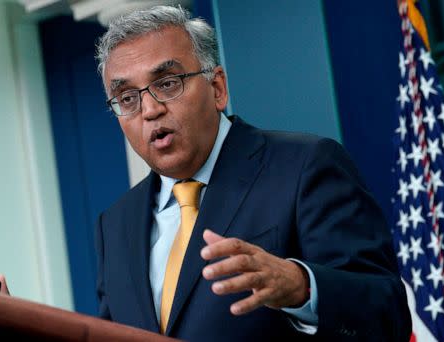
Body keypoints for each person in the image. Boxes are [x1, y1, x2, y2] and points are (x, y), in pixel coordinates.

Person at [92, 5, 411, 341]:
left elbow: (386, 314)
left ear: (217, 88)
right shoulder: (115, 223)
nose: (150, 110)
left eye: (168, 83)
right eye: (127, 98)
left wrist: (301, 287)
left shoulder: (305, 166)